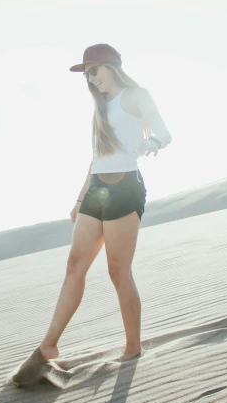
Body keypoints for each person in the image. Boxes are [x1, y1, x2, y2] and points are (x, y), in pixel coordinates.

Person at [35, 43, 172, 363]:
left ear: (111, 67)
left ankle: (132, 347)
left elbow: (165, 132)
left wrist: (152, 141)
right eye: (86, 74)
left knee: (117, 271)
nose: (90, 78)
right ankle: (48, 346)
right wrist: (80, 198)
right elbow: (97, 158)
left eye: (94, 70)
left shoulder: (136, 95)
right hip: (97, 189)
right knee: (74, 266)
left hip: (125, 188)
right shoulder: (100, 109)